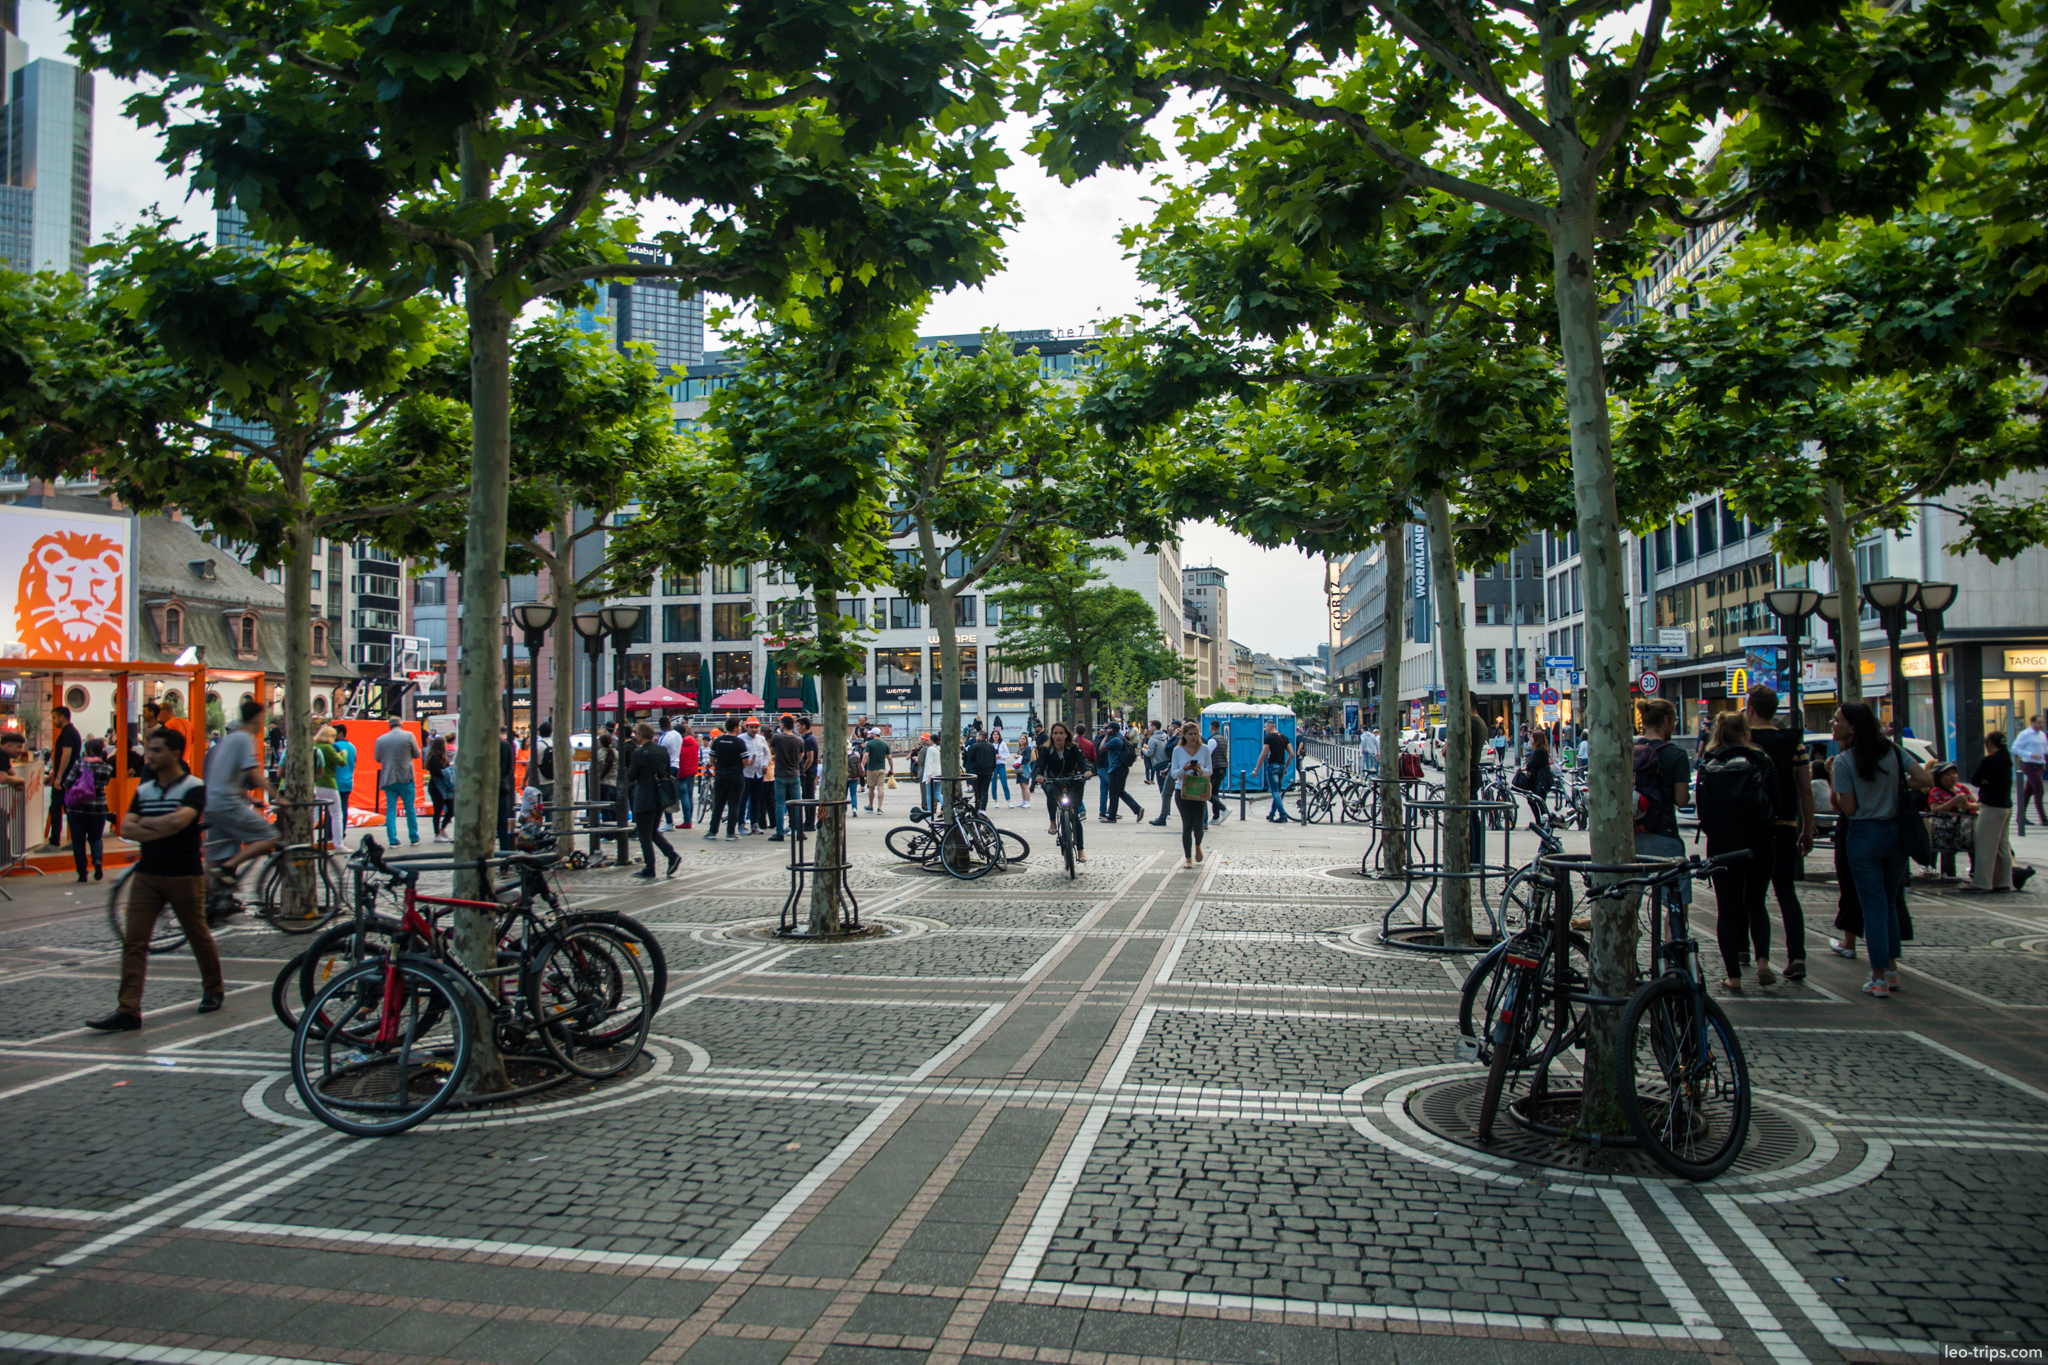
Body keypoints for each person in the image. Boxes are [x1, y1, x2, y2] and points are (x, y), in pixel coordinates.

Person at [86, 728, 226, 1031]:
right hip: (147, 874)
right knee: (134, 942)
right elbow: (127, 828)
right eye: (149, 749)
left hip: (184, 874)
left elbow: (180, 821)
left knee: (197, 933)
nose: (149, 756)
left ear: (175, 754)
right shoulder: (145, 789)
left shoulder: (194, 787)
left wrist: (147, 826)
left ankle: (213, 988)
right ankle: (128, 1009)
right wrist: (162, 827)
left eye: (157, 750)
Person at [1831, 701, 1932, 997]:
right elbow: (1925, 779)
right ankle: (1890, 969)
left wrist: (1839, 789)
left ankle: (1877, 978)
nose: (1833, 725)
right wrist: (1900, 785)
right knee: (1888, 902)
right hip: (1896, 833)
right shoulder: (1892, 751)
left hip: (1864, 835)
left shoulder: (1843, 762)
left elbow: (1848, 807)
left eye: (1837, 720)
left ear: (1853, 726)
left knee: (1873, 907)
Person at [1696, 710, 1781, 992]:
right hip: (1759, 845)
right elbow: (1775, 803)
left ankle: (1733, 976)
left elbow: (1702, 809)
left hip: (1722, 846)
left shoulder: (1708, 762)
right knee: (1756, 903)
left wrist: (1716, 835)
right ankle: (1763, 963)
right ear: (1746, 731)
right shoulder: (1761, 760)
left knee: (1727, 910)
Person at [1739, 687, 1815, 979]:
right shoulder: (1793, 742)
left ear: (1751, 709)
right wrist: (1807, 827)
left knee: (1751, 892)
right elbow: (1805, 788)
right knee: (1786, 891)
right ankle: (1797, 956)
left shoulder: (1746, 741)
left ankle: (1748, 951)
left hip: (1752, 827)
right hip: (1785, 826)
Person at [206, 700, 281, 879]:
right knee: (270, 835)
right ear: (257, 718)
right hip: (227, 803)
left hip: (212, 803)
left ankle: (213, 896)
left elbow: (225, 776)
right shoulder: (245, 738)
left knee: (217, 854)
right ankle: (228, 867)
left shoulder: (228, 740)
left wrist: (249, 798)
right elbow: (253, 772)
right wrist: (276, 796)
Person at [1966, 730, 2026, 893]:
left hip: (1991, 807)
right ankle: (2003, 882)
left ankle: (1982, 883)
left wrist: (1983, 782)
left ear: (1990, 744)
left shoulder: (1989, 760)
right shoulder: (2007, 761)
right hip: (2006, 807)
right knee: (2002, 847)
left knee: (1985, 846)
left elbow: (1974, 779)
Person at [626, 722, 680, 878]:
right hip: (661, 796)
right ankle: (672, 855)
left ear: (641, 735)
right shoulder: (662, 750)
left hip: (644, 797)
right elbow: (667, 770)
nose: (636, 736)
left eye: (637, 734)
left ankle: (650, 867)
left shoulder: (638, 753)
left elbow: (631, 776)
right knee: (653, 831)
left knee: (645, 835)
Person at [1036, 722, 1092, 861]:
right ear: (1052, 735)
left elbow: (1083, 761)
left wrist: (1087, 771)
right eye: (1056, 733)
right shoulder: (1046, 749)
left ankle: (1080, 850)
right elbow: (1039, 765)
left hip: (1072, 780)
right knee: (1051, 792)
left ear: (1066, 734)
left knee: (1075, 816)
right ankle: (1052, 821)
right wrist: (1038, 775)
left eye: (1061, 733)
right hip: (1054, 780)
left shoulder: (1073, 748)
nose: (1058, 736)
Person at [66, 736, 114, 882]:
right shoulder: (107, 767)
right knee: (95, 838)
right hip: (99, 808)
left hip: (77, 808)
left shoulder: (80, 764)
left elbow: (68, 782)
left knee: (78, 842)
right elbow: (105, 783)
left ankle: (82, 873)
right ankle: (97, 861)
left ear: (89, 750)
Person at [1169, 721, 1214, 869]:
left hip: (1199, 788)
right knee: (1187, 825)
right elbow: (1174, 774)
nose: (1193, 737)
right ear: (1184, 735)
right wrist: (1184, 768)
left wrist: (1201, 770)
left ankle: (1198, 845)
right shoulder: (1178, 750)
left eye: (1196, 733)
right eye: (1190, 734)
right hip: (1182, 789)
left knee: (1199, 825)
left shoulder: (1204, 749)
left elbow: (1210, 770)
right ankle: (1188, 857)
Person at [374, 716, 422, 847]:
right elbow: (417, 754)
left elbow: (377, 758)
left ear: (389, 726)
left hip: (389, 778)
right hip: (406, 777)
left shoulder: (380, 739)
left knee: (391, 809)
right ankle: (414, 837)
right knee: (410, 808)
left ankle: (393, 839)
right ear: (401, 724)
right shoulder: (409, 735)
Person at [42, 704, 81, 851]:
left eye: (54, 718)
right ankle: (73, 840)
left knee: (57, 808)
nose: (53, 721)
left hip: (65, 778)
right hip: (67, 776)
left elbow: (66, 754)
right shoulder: (71, 732)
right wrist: (53, 774)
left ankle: (55, 842)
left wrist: (58, 777)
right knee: (65, 808)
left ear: (61, 717)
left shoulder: (67, 733)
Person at [704, 716, 749, 841]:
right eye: (740, 726)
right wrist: (738, 768)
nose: (741, 728)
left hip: (721, 776)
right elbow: (745, 761)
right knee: (734, 805)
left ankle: (712, 831)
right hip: (736, 776)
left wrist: (720, 767)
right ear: (735, 728)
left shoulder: (718, 741)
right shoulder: (739, 742)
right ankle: (730, 833)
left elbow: (712, 760)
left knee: (718, 803)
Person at [768, 715, 805, 841]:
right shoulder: (799, 740)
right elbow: (801, 757)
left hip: (780, 774)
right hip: (794, 773)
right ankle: (799, 831)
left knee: (779, 804)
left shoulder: (776, 737)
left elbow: (772, 752)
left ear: (783, 725)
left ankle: (779, 832)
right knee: (796, 804)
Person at [1099, 724, 1142, 822]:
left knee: (1114, 793)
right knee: (1120, 792)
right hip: (1122, 768)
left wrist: (1106, 736)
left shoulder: (1115, 740)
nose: (1107, 731)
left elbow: (1102, 748)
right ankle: (1137, 809)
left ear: (1113, 730)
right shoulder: (1120, 738)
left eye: (1108, 729)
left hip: (1116, 769)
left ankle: (1112, 817)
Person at [2014, 714, 2047, 834]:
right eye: (2039, 723)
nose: (2041, 725)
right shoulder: (2025, 734)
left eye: (2042, 723)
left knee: (2028, 791)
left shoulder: (2042, 735)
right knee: (2039, 790)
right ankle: (2044, 819)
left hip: (2039, 765)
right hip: (2029, 764)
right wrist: (2030, 754)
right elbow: (2014, 748)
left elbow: (2045, 749)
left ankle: (2020, 816)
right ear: (2032, 723)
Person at [741, 717, 771, 834]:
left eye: (756, 727)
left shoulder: (761, 739)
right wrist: (745, 761)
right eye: (751, 727)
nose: (754, 730)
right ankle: (741, 824)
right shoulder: (741, 739)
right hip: (745, 773)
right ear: (746, 727)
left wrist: (764, 764)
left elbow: (766, 753)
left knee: (756, 800)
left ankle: (755, 824)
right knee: (743, 800)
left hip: (758, 774)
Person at [1260, 722, 1293, 822]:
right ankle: (1271, 814)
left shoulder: (1269, 738)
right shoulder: (1284, 737)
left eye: (1265, 727)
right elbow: (1291, 754)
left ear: (1270, 727)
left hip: (1272, 766)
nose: (1264, 729)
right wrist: (1286, 766)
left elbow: (1263, 754)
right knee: (1277, 792)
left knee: (1274, 792)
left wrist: (1257, 769)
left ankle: (1283, 815)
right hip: (1282, 766)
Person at [589, 732, 618, 843]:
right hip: (614, 784)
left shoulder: (598, 754)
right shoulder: (616, 753)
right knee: (613, 810)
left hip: (603, 784)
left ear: (600, 743)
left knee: (605, 810)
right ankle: (614, 833)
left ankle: (608, 835)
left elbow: (592, 770)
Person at [424, 732, 453, 841]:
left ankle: (441, 829)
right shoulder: (436, 758)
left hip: (439, 785)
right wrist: (447, 771)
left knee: (449, 808)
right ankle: (437, 833)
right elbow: (436, 771)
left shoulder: (435, 757)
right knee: (439, 809)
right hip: (437, 786)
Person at [674, 721, 700, 829]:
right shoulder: (693, 741)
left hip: (682, 771)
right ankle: (689, 819)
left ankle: (687, 820)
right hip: (692, 771)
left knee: (683, 796)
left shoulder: (679, 743)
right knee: (689, 796)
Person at [330, 722, 357, 828]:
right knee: (344, 808)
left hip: (335, 782)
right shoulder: (352, 746)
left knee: (333, 811)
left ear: (340, 733)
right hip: (348, 781)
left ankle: (331, 834)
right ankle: (342, 832)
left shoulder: (334, 746)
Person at [965, 729, 999, 810]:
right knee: (985, 791)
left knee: (977, 791)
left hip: (976, 771)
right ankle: (983, 809)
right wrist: (992, 770)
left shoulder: (975, 746)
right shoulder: (991, 746)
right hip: (987, 772)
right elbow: (993, 760)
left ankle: (977, 807)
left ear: (980, 737)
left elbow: (970, 757)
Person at [497, 726, 517, 851]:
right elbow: (510, 768)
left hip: (484, 791)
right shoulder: (506, 746)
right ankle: (505, 862)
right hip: (502, 787)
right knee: (503, 827)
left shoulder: (480, 747)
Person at [863, 729, 892, 813]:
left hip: (871, 769)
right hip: (882, 769)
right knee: (880, 787)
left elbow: (865, 756)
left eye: (871, 733)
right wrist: (891, 768)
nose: (870, 735)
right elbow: (889, 757)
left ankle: (871, 806)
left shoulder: (869, 744)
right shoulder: (885, 744)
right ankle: (879, 808)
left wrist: (861, 766)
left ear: (874, 734)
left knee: (871, 788)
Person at [1207, 721, 1230, 822]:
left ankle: (1223, 808)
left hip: (1215, 768)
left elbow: (1207, 755)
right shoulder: (1223, 739)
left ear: (1210, 727)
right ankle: (1216, 817)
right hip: (1222, 768)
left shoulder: (1213, 740)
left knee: (1207, 792)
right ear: (1219, 727)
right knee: (1214, 792)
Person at [844, 732, 866, 815]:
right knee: (853, 794)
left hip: (845, 777)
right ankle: (854, 809)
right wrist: (862, 771)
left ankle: (844, 810)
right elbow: (859, 765)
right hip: (854, 777)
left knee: (844, 795)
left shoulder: (841, 755)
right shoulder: (855, 753)